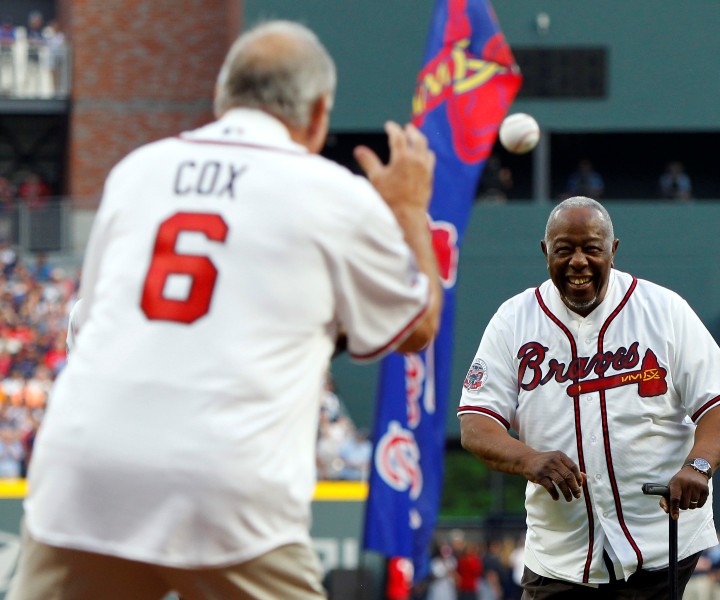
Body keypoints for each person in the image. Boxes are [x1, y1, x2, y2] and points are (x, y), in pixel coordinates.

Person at [8, 19, 442, 600]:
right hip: (226, 484)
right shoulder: (331, 191)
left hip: (83, 472)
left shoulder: (138, 171)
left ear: (222, 97)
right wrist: (411, 209)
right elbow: (420, 325)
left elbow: (93, 325)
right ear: (318, 114)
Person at [457, 196, 720, 599]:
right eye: (564, 249)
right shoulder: (514, 320)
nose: (578, 261)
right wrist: (529, 459)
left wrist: (698, 465)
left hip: (657, 544)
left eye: (591, 248)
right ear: (545, 252)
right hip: (560, 551)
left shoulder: (662, 310)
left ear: (613, 250)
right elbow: (476, 425)